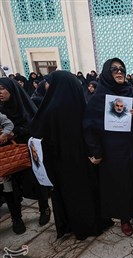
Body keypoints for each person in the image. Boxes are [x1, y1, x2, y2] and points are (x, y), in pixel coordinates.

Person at [29, 70, 113, 240]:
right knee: (88, 193)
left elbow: (39, 133)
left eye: (48, 82)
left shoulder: (51, 108)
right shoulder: (81, 103)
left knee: (70, 196)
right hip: (84, 161)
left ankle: (75, 226)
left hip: (62, 163)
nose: (45, 85)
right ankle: (93, 224)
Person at [83, 58, 133, 237]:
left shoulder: (132, 92)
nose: (119, 72)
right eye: (114, 69)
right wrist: (97, 152)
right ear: (107, 73)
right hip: (112, 150)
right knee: (120, 184)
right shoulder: (99, 97)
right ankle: (124, 218)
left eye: (122, 68)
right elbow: (89, 127)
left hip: (132, 146)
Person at [0, 77, 51, 233]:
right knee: (9, 187)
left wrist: (15, 132)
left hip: (26, 152)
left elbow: (35, 127)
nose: (0, 93)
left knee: (36, 181)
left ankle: (44, 209)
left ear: (12, 89)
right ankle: (17, 218)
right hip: (5, 156)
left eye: (2, 88)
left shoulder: (25, 106)